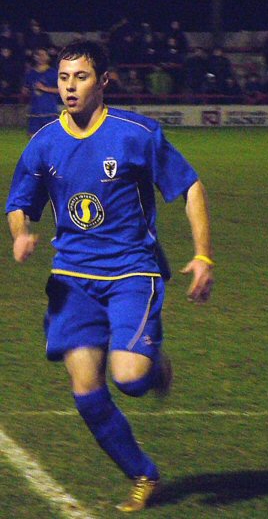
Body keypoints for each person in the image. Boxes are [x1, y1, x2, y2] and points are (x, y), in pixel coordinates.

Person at [6, 40, 214, 512]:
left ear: (103, 81)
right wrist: (21, 233)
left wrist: (203, 255)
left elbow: (189, 185)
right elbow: (19, 203)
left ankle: (155, 367)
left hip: (131, 274)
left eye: (80, 77)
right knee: (87, 394)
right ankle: (143, 474)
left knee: (131, 378)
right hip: (71, 280)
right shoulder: (44, 142)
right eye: (63, 78)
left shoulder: (135, 133)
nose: (69, 87)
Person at [21, 47, 60, 136]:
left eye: (43, 55)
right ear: (35, 57)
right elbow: (26, 89)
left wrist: (44, 88)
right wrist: (25, 91)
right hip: (34, 111)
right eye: (38, 55)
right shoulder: (31, 73)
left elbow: (61, 90)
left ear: (48, 57)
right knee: (32, 136)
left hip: (49, 111)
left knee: (50, 137)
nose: (41, 57)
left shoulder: (53, 73)